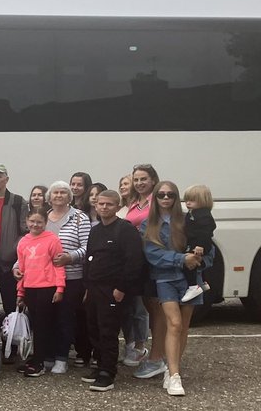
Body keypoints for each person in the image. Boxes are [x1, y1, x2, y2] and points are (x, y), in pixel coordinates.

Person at [137, 180, 203, 396]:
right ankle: (174, 376)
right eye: (161, 195)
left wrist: (199, 259)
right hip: (165, 279)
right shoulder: (149, 224)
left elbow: (206, 247)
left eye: (170, 195)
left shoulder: (189, 221)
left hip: (191, 279)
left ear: (176, 198)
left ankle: (172, 368)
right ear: (155, 198)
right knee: (173, 323)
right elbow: (152, 255)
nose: (166, 198)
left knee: (183, 326)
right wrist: (182, 259)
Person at [83, 190, 145, 392]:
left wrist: (121, 288)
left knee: (108, 331)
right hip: (93, 289)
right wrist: (86, 287)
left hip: (113, 289)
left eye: (109, 204)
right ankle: (100, 365)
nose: (104, 207)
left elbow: (134, 262)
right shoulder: (95, 230)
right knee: (94, 329)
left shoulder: (125, 230)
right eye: (100, 204)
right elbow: (89, 259)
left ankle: (107, 373)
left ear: (118, 206)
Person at [37, 181, 91, 373]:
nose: (58, 196)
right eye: (55, 193)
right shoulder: (43, 217)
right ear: (49, 197)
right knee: (47, 318)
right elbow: (31, 243)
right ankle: (48, 355)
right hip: (44, 278)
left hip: (71, 277)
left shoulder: (79, 218)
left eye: (63, 193)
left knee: (65, 318)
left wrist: (71, 257)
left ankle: (62, 357)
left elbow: (88, 247)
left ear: (69, 197)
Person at [15, 210, 65, 377]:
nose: (35, 225)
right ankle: (37, 358)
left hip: (47, 288)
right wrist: (20, 292)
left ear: (45, 223)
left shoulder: (52, 239)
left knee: (43, 325)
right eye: (32, 221)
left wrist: (60, 288)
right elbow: (22, 269)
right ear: (27, 221)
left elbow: (59, 265)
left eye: (39, 222)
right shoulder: (23, 242)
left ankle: (40, 362)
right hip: (30, 288)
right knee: (35, 325)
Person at [122, 164, 159, 367]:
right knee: (133, 304)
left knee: (145, 308)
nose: (139, 183)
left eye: (143, 179)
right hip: (135, 259)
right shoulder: (135, 203)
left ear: (153, 180)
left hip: (151, 258)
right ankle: (135, 345)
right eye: (136, 180)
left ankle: (143, 347)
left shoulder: (157, 201)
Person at [0, 164, 28, 320]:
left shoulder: (18, 202)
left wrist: (14, 251)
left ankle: (12, 342)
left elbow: (25, 231)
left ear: (6, 179)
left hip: (9, 261)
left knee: (11, 305)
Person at [180, 185, 216, 303]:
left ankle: (193, 286)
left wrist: (200, 245)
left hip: (199, 244)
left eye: (192, 200)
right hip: (196, 243)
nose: (188, 203)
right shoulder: (195, 213)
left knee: (189, 263)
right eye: (186, 200)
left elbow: (205, 232)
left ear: (202, 201)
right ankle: (203, 282)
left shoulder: (202, 215)